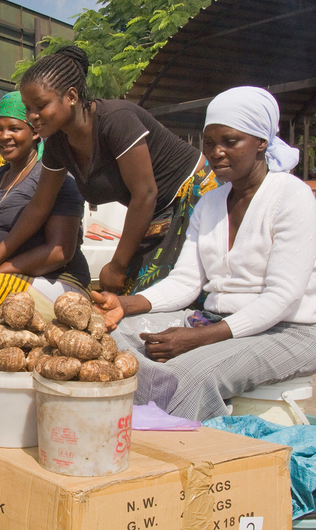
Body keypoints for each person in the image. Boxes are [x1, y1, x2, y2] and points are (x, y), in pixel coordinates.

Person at [92, 86, 316, 421]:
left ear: (261, 143)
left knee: (186, 375)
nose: (216, 152)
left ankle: (176, 460)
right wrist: (124, 305)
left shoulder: (291, 197)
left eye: (230, 141)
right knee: (108, 337)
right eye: (209, 143)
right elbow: (186, 281)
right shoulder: (211, 200)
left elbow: (281, 298)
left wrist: (198, 338)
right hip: (215, 321)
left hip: (289, 331)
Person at [0, 46, 218, 295]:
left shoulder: (116, 120)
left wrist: (118, 265)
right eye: (28, 107)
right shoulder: (57, 142)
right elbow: (39, 206)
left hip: (194, 196)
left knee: (174, 295)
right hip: (155, 212)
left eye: (41, 105)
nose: (33, 115)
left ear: (71, 96)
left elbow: (145, 194)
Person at [0, 91, 89, 311]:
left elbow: (60, 252)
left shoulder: (55, 176)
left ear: (34, 133)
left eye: (14, 128)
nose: (4, 136)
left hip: (56, 282)